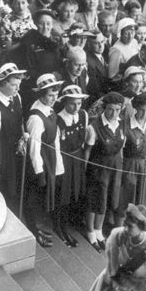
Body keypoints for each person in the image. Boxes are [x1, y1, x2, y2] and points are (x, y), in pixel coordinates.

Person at [23, 73, 64, 246]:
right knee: (34, 197)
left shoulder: (50, 111)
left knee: (43, 198)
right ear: (41, 95)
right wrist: (39, 173)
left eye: (55, 94)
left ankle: (39, 229)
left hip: (51, 158)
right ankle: (34, 231)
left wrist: (58, 166)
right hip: (39, 162)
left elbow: (55, 140)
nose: (53, 98)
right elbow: (34, 150)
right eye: (49, 95)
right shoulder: (35, 118)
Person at [84, 92, 126, 251]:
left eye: (117, 110)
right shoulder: (94, 127)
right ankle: (90, 232)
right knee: (95, 198)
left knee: (107, 198)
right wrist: (86, 170)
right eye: (110, 109)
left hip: (115, 167)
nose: (113, 113)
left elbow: (121, 148)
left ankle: (99, 230)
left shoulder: (122, 124)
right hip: (98, 167)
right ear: (104, 108)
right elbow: (87, 151)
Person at [0, 63, 27, 204]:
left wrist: (23, 138)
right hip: (4, 155)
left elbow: (19, 121)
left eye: (19, 84)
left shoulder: (17, 97)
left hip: (17, 151)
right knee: (7, 192)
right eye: (14, 85)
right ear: (2, 84)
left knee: (20, 187)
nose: (18, 88)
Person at [54, 85, 89, 246]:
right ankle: (60, 227)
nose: (76, 108)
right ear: (64, 103)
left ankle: (71, 223)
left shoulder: (83, 115)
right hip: (64, 159)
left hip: (78, 157)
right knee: (63, 194)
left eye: (79, 103)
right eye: (72, 104)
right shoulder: (58, 119)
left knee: (77, 191)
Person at [119, 92, 146, 216]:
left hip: (144, 164)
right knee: (127, 198)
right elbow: (120, 149)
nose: (144, 114)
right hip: (129, 164)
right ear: (135, 108)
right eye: (141, 110)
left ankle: (137, 227)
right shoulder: (126, 123)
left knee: (142, 199)